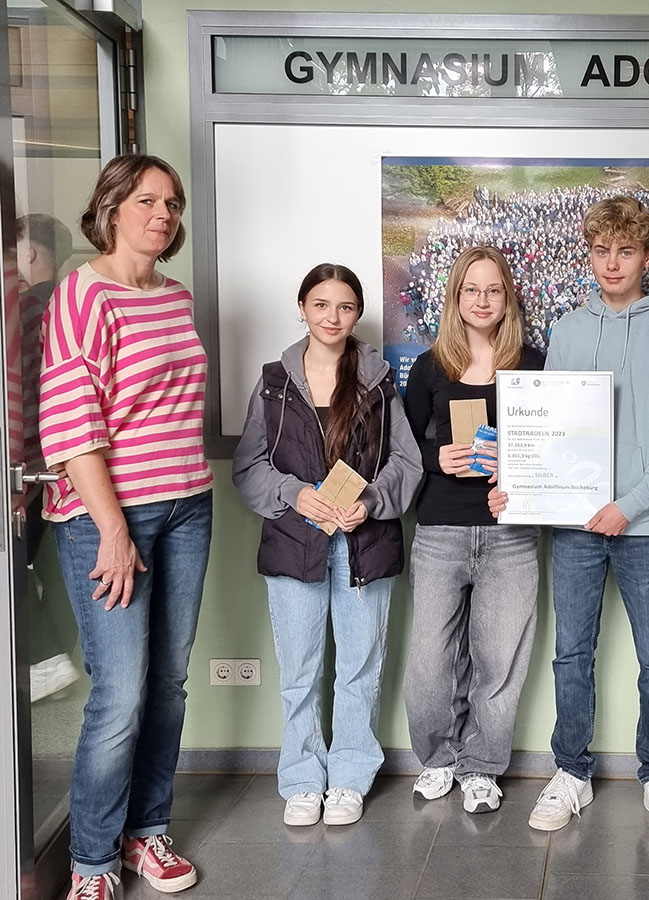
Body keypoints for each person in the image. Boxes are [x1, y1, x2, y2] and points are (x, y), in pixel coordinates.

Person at [491, 195, 649, 838]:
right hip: (575, 528)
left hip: (646, 526)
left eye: (626, 251)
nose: (612, 263)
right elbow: (549, 424)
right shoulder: (569, 330)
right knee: (571, 655)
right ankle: (571, 772)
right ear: (589, 254)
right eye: (602, 250)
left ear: (647, 255)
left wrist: (627, 506)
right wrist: (520, 486)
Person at [38, 155, 214, 899]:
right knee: (120, 693)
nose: (163, 215)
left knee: (168, 684)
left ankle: (147, 831)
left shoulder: (174, 298)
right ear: (111, 208)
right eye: (147, 200)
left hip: (188, 506)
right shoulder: (82, 294)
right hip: (111, 517)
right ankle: (91, 864)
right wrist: (113, 529)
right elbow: (70, 426)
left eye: (172, 204)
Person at [232, 263, 422, 829]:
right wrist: (294, 494)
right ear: (302, 308)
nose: (332, 317)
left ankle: (349, 777)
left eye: (344, 306)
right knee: (300, 672)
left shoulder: (379, 381)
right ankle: (301, 779)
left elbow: (407, 461)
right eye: (320, 304)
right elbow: (248, 466)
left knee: (360, 670)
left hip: (366, 543)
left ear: (357, 313)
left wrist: (371, 501)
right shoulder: (273, 381)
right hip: (295, 544)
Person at [402, 246, 544, 814]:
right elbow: (403, 448)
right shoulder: (430, 366)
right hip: (440, 531)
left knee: (499, 662)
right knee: (429, 664)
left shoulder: (533, 364)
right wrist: (438, 458)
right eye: (471, 290)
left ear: (507, 297)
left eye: (493, 290)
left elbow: (552, 446)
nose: (482, 300)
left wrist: (519, 469)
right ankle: (438, 759)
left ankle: (482, 767)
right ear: (455, 297)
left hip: (511, 534)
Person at [17, 213, 82, 702]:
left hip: (30, 464)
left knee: (13, 562)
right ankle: (55, 662)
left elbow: (19, 395)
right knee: (59, 569)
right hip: (69, 462)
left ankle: (44, 661)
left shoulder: (23, 310)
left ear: (30, 253)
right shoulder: (71, 304)